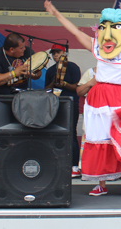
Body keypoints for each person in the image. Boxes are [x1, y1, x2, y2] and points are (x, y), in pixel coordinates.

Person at [44, 0, 121, 197]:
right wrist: (56, 13)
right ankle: (101, 184)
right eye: (106, 27)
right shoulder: (97, 46)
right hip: (100, 98)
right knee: (99, 139)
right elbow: (75, 32)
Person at [0, 33, 41, 136]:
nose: (24, 49)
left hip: (20, 100)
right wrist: (14, 73)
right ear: (11, 49)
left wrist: (33, 74)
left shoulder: (28, 52)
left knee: (20, 134)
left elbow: (38, 73)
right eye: (21, 48)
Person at [44, 44, 82, 178]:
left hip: (71, 103)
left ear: (64, 53)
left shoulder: (73, 67)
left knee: (71, 134)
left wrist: (64, 84)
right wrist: (53, 83)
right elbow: (46, 90)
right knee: (54, 134)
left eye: (58, 52)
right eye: (53, 53)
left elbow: (78, 88)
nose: (55, 55)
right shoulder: (50, 71)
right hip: (54, 105)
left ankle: (74, 167)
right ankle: (56, 164)